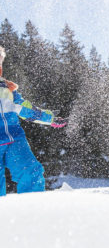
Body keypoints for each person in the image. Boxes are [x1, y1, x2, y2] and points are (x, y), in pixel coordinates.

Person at [0, 46, 67, 196]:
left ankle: (32, 211)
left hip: (14, 140)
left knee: (31, 171)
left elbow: (26, 109)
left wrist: (49, 118)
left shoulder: (8, 90)